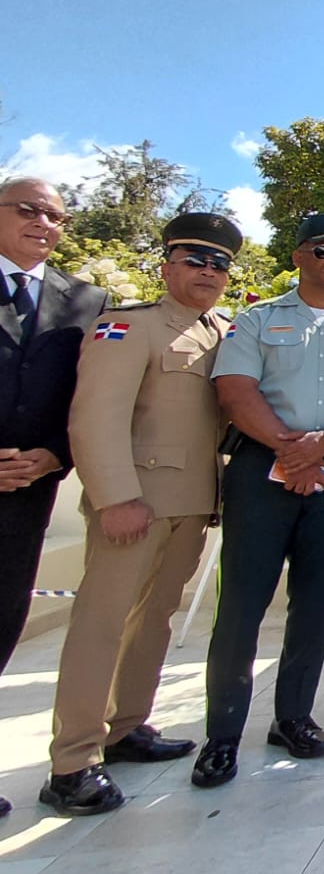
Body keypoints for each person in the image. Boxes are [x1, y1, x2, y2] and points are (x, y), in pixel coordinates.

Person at [39, 213, 241, 816]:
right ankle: (72, 760)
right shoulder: (128, 327)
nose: (208, 272)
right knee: (101, 625)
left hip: (192, 506)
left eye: (220, 264)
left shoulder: (220, 334)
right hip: (135, 505)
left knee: (154, 620)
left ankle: (126, 726)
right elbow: (95, 418)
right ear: (167, 264)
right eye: (195, 260)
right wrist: (114, 497)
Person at [193, 213, 324, 788]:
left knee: (315, 600)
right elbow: (235, 391)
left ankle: (293, 717)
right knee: (241, 605)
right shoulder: (258, 319)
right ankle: (222, 736)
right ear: (299, 255)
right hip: (263, 467)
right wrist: (290, 450)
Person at [0, 177, 108, 818]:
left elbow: (88, 393)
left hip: (29, 489)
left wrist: (56, 455)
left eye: (57, 216)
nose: (44, 223)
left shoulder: (86, 300)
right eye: (29, 210)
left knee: (5, 619)